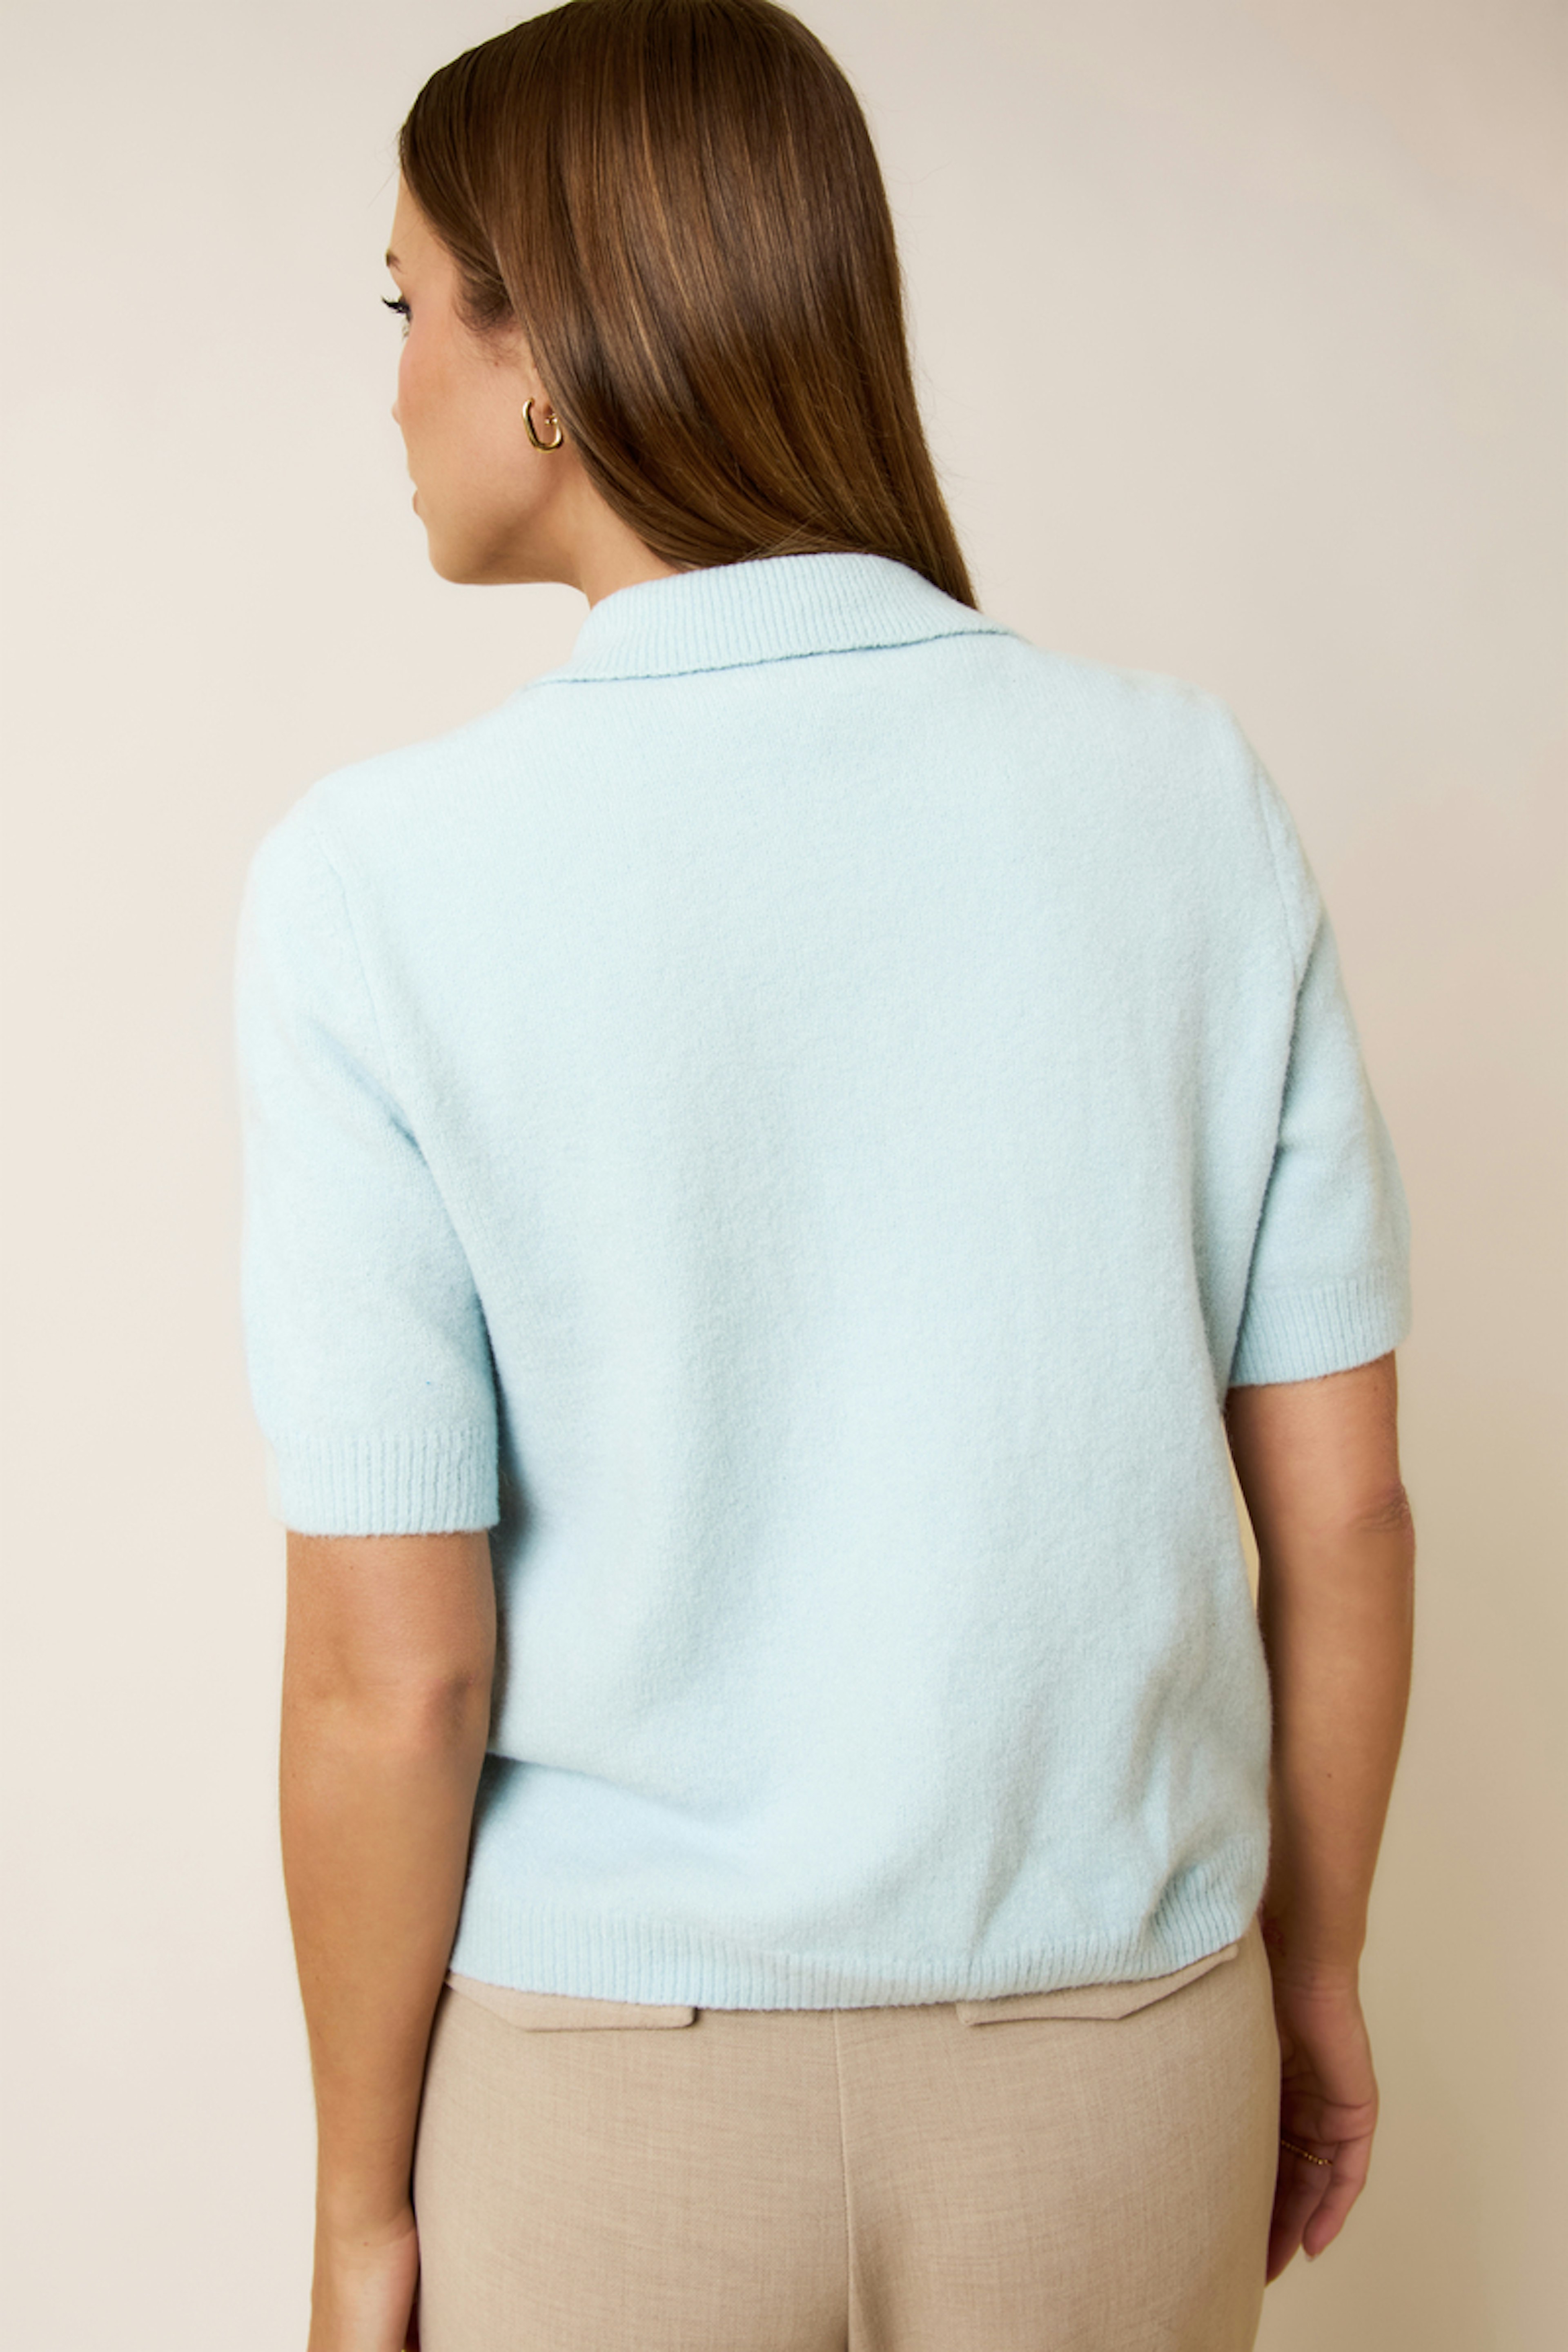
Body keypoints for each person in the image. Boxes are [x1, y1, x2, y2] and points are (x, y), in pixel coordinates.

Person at [232, 4, 1417, 2348]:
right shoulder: (1184, 797)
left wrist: (365, 2199)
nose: (393, 382)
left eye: (409, 302)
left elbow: (395, 1674)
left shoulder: (375, 886)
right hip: (1117, 2061)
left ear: (548, 353)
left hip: (602, 2103)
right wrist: (1320, 1973)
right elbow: (1348, 1516)